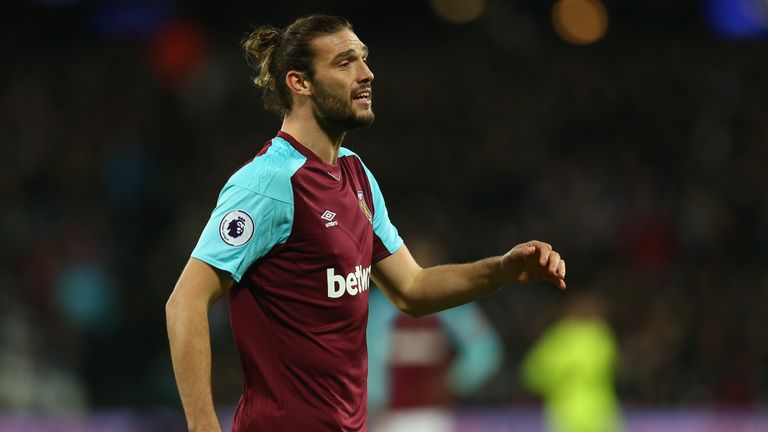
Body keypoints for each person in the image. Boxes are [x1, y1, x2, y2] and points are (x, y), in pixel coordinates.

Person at [165, 14, 566, 432]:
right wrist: (203, 426)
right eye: (344, 63)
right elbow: (184, 302)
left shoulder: (356, 175)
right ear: (299, 82)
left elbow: (413, 289)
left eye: (364, 58)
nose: (366, 73)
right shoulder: (269, 182)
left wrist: (501, 269)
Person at [521, 293, 621, 432]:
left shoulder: (559, 338)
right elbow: (612, 366)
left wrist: (560, 376)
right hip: (600, 412)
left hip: (565, 413)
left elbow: (533, 374)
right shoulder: (602, 337)